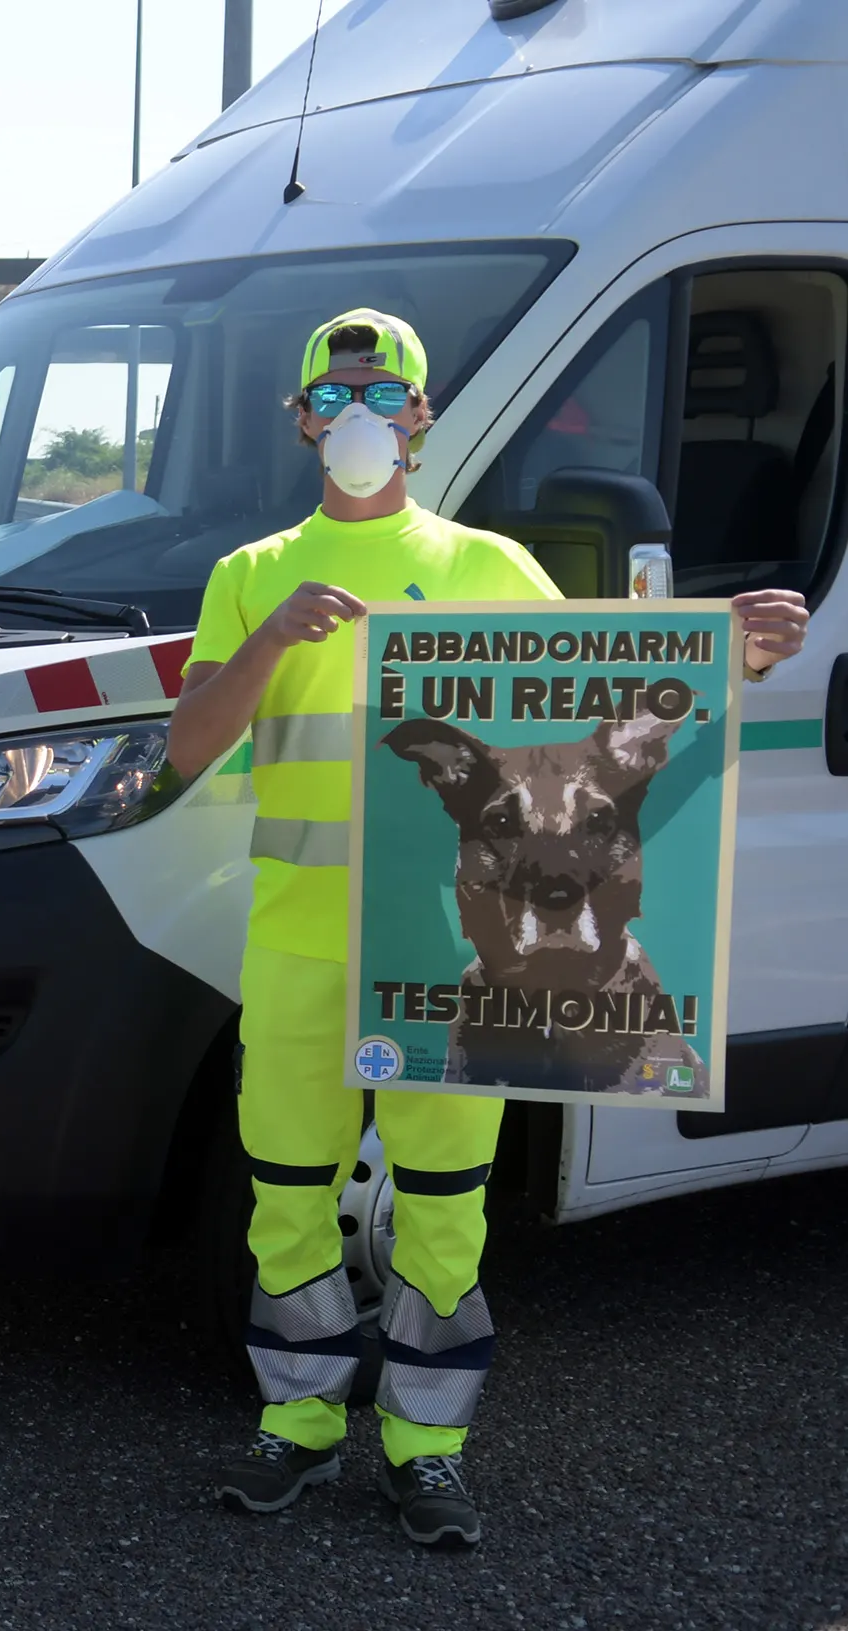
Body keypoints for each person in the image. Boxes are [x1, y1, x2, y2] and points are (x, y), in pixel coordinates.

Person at [167, 309, 809, 1545]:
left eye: (382, 395)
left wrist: (733, 650)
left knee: (443, 1200)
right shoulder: (253, 572)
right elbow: (186, 749)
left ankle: (426, 1446)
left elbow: (605, 700)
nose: (358, 416)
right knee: (288, 1198)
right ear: (301, 421)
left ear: (419, 418)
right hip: (301, 950)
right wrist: (273, 638)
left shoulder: (487, 569)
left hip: (452, 963)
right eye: (333, 396)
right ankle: (296, 1426)